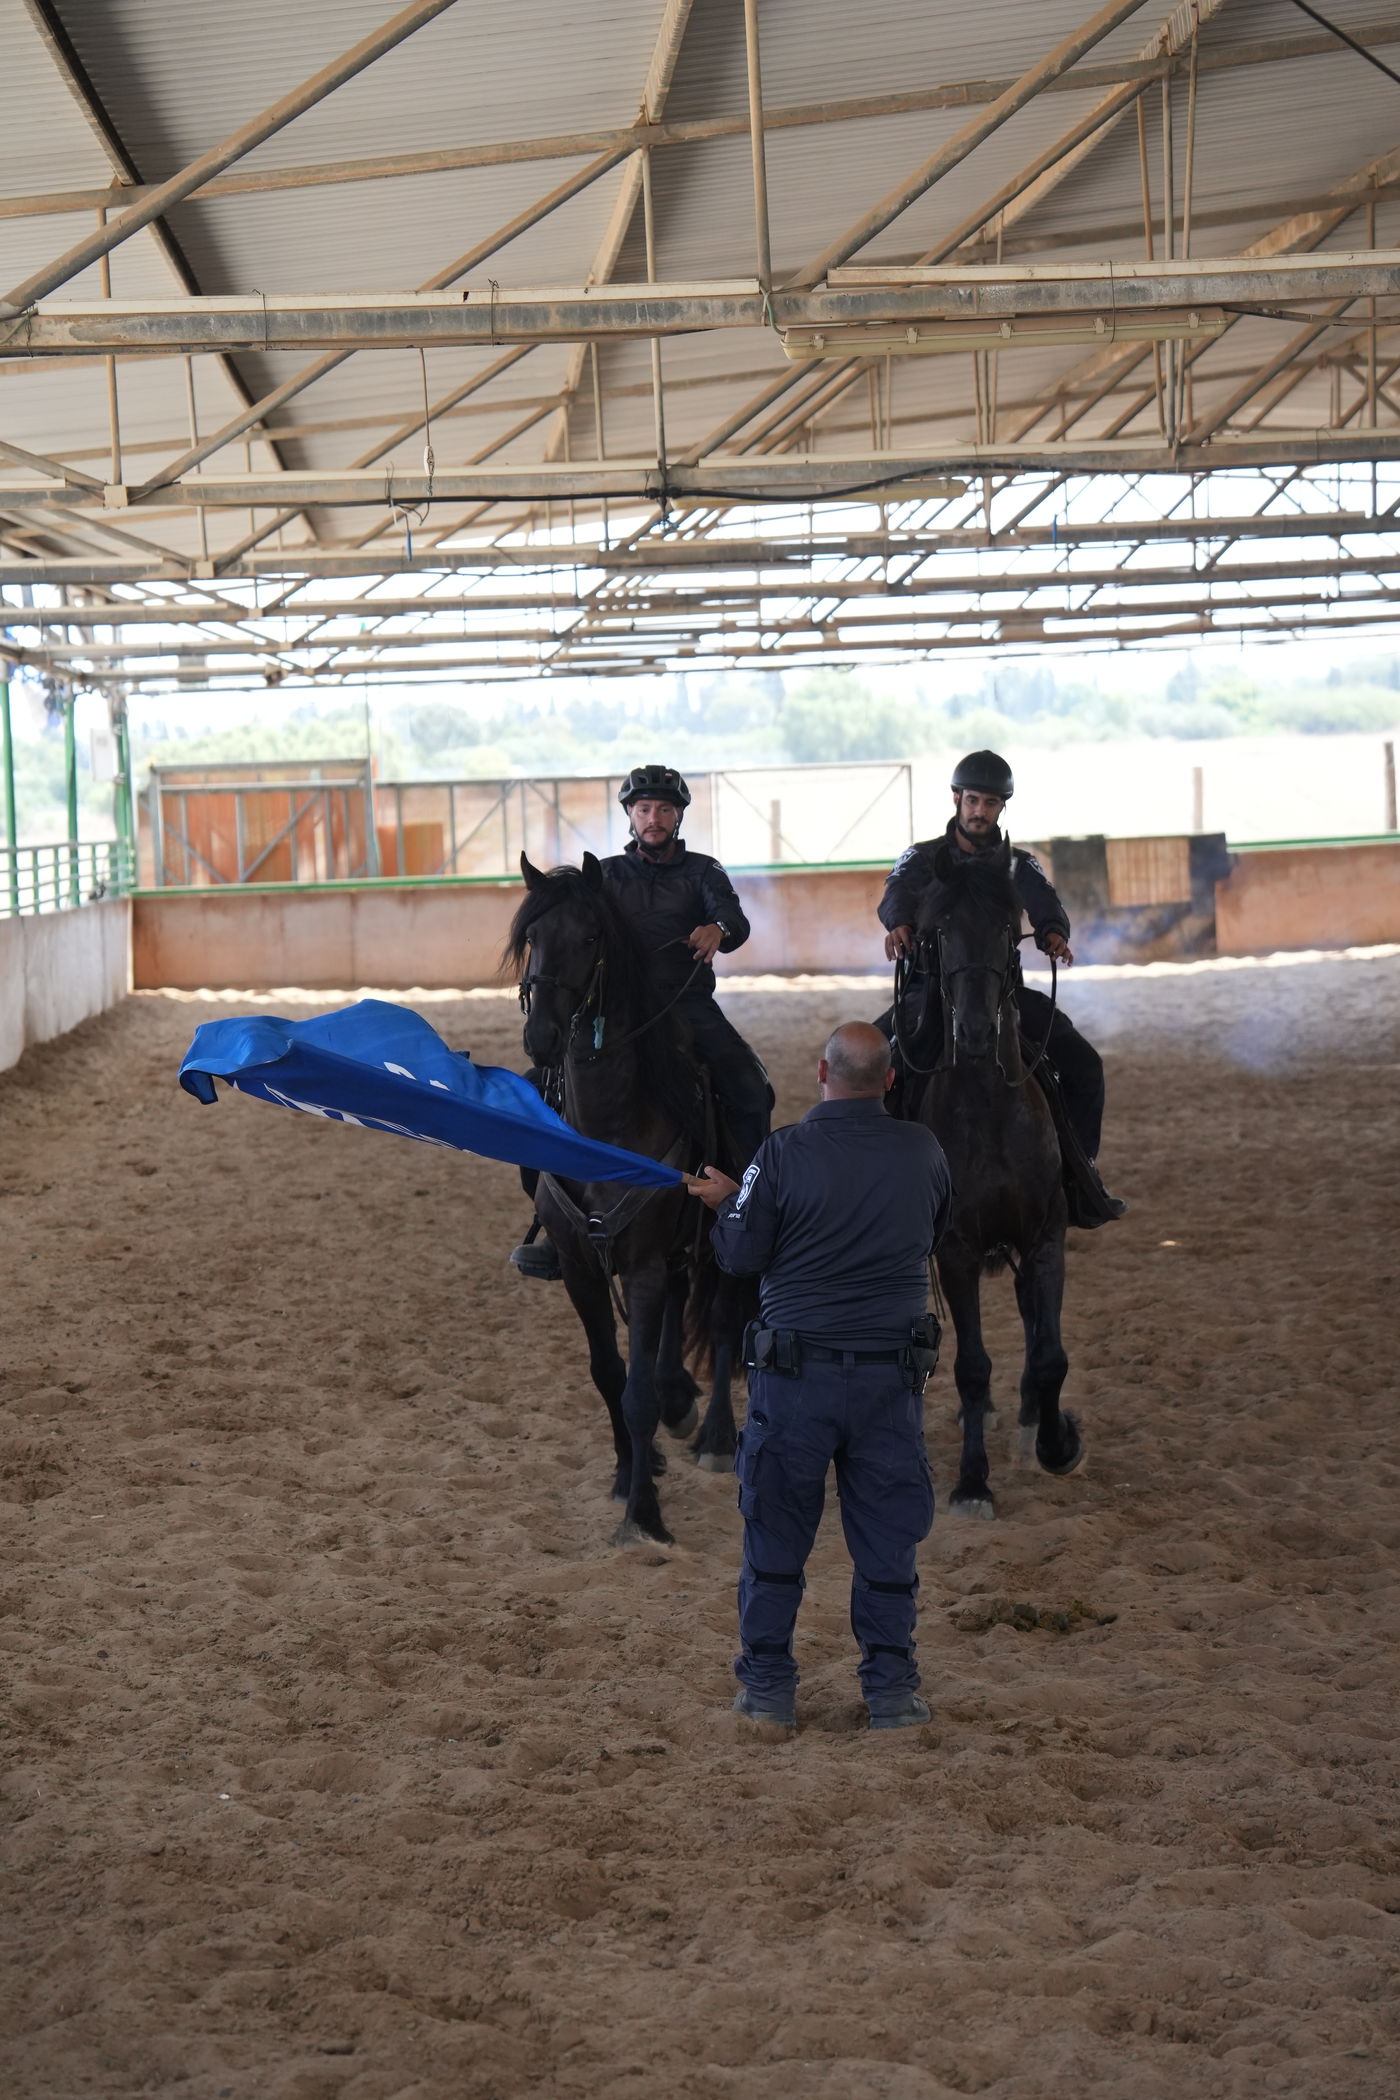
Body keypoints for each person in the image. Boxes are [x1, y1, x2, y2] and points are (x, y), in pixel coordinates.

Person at [688, 1021, 952, 1734]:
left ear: (821, 1072)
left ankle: (770, 1691)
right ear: (889, 1080)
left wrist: (727, 1205)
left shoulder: (780, 1153)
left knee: (775, 1543)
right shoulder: (924, 1150)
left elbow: (741, 1258)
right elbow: (934, 1230)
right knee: (888, 1545)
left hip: (794, 1381)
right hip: (888, 1384)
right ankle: (891, 1693)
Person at [510, 763, 771, 1279]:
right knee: (534, 1094)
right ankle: (550, 1220)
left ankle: (746, 1204)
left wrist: (718, 928)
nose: (654, 818)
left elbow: (734, 918)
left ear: (678, 817)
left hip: (685, 1005)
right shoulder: (603, 876)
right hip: (614, 1012)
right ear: (630, 815)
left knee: (750, 1089)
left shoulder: (704, 871)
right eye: (645, 809)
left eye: (665, 810)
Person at [878, 748, 1121, 1210]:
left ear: (1001, 808)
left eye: (990, 804)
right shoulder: (923, 857)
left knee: (1085, 1066)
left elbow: (1045, 902)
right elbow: (896, 893)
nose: (980, 812)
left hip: (1000, 993)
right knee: (867, 1063)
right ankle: (878, 1185)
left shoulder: (1018, 863)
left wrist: (1054, 931)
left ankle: (1080, 1176)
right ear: (956, 799)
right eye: (973, 801)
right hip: (929, 992)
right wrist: (898, 922)